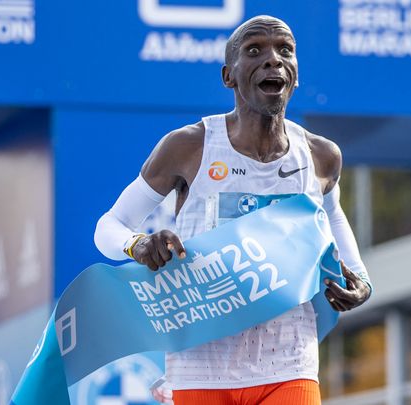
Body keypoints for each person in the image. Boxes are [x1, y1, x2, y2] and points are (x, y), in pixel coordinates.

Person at [94, 15, 372, 405]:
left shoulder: (321, 155)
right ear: (229, 76)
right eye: (254, 50)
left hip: (289, 364)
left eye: (285, 51)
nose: (273, 60)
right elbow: (110, 226)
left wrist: (359, 277)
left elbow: (334, 216)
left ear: (295, 76)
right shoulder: (189, 146)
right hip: (199, 366)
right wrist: (139, 245)